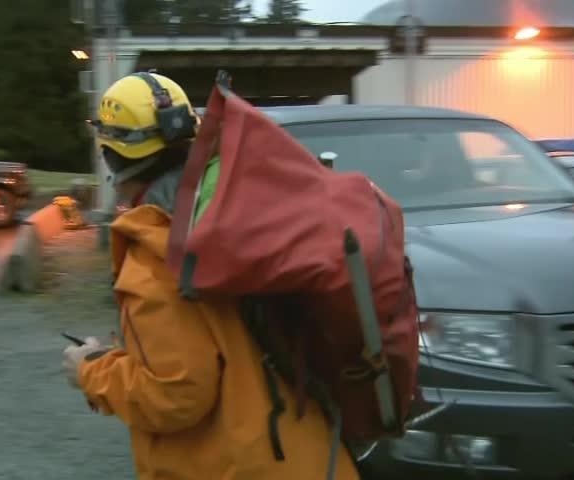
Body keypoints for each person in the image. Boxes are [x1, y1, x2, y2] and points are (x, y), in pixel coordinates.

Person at [61, 72, 360, 480]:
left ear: (111, 156)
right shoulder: (237, 218)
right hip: (309, 456)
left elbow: (175, 395)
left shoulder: (155, 260)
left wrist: (92, 369)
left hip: (241, 466)